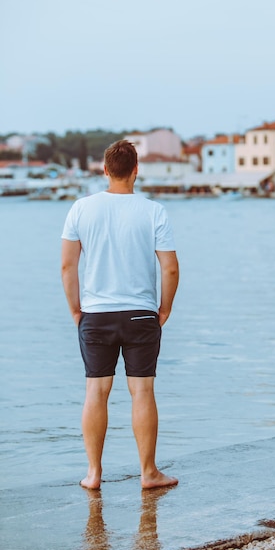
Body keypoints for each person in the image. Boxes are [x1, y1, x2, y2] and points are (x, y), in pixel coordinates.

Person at [61, 140, 179, 490]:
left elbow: (68, 266)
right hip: (142, 315)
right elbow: (170, 269)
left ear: (105, 169)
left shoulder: (81, 209)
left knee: (96, 392)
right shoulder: (154, 211)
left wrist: (75, 310)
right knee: (141, 392)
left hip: (96, 315)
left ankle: (94, 474)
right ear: (136, 170)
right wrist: (165, 307)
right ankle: (148, 473)